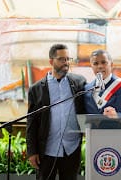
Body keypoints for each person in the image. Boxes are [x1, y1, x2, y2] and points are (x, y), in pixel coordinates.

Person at [26, 44, 86, 180]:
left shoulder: (79, 83)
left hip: (71, 148)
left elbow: (92, 100)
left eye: (68, 59)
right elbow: (31, 122)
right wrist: (32, 151)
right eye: (61, 59)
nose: (66, 63)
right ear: (51, 61)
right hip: (46, 150)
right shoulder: (36, 89)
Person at [84, 49, 121, 118]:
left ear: (111, 64)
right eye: (95, 63)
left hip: (116, 128)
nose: (100, 66)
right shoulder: (86, 89)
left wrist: (118, 116)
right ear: (91, 66)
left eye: (103, 62)